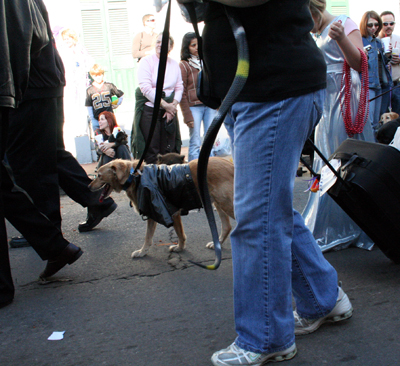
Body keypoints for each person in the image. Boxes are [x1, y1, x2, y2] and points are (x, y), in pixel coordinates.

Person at [176, 0, 353, 364]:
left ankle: (266, 338)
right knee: (267, 208)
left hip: (273, 87)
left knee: (257, 217)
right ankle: (323, 297)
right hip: (246, 90)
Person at [6, 0, 117, 235]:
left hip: (32, 85)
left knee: (32, 160)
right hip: (43, 80)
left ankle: (47, 230)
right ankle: (96, 200)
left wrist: (14, 86)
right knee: (50, 153)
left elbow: (23, 37)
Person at [1, 0, 84, 308]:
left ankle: (55, 241)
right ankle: (56, 242)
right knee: (39, 163)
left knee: (31, 168)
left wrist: (17, 90)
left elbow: (26, 36)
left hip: (27, 89)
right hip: (32, 86)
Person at [302, 0, 375, 253]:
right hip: (327, 99)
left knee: (344, 157)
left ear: (313, 9)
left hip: (345, 98)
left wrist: (343, 38)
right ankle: (331, 222)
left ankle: (353, 223)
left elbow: (360, 63)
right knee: (329, 157)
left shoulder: (342, 23)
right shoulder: (317, 31)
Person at [131, 33, 183, 164]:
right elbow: (145, 88)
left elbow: (179, 87)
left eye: (164, 42)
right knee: (152, 149)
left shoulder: (174, 64)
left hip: (169, 110)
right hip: (150, 111)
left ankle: (168, 180)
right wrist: (165, 105)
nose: (160, 45)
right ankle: (152, 180)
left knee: (168, 148)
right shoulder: (146, 62)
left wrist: (172, 107)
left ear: (171, 47)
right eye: (158, 41)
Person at [179, 32, 217, 161]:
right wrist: (187, 115)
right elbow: (181, 91)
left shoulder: (206, 61)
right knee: (195, 141)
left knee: (210, 139)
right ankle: (193, 172)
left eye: (198, 44)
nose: (196, 48)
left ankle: (211, 169)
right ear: (187, 47)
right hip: (194, 107)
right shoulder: (184, 65)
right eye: (193, 45)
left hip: (209, 105)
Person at [58, 28, 94, 155]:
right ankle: (74, 135)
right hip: (68, 84)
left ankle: (83, 131)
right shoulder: (61, 51)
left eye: (69, 38)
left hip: (81, 83)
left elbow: (89, 64)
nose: (67, 41)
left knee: (82, 108)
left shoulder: (81, 50)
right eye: (65, 39)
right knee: (70, 108)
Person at [360, 11, 392, 133]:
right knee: (368, 122)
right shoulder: (361, 40)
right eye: (370, 25)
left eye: (376, 24)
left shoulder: (378, 42)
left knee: (377, 121)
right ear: (364, 25)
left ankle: (375, 148)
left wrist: (388, 55)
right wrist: (363, 55)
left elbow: (381, 63)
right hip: (368, 84)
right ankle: (369, 148)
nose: (373, 28)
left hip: (381, 84)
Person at [85, 64, 124, 131]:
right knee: (99, 139)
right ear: (92, 76)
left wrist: (117, 103)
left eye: (100, 75)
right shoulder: (90, 90)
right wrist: (93, 119)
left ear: (103, 74)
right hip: (97, 119)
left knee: (112, 138)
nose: (98, 77)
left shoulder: (109, 86)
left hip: (109, 119)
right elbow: (89, 106)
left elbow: (120, 94)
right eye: (95, 75)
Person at [379, 11, 400, 115]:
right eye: (385, 24)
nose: (389, 26)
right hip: (382, 87)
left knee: (397, 118)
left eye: (391, 23)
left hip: (397, 85)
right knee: (382, 117)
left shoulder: (398, 39)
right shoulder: (376, 40)